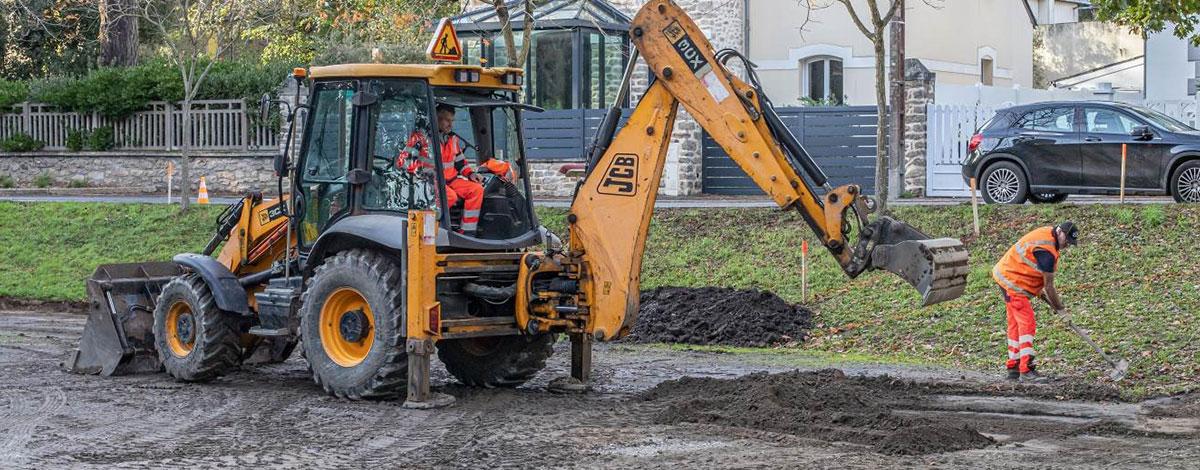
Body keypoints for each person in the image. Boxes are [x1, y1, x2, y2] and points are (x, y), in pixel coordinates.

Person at [992, 221, 1079, 382]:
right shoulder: (1047, 252)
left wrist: (1037, 290)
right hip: (1013, 284)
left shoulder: (1047, 233)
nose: (1067, 244)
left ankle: (1014, 367)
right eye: (1066, 240)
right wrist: (1060, 309)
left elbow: (1032, 266)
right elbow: (1049, 286)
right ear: (1059, 232)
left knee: (1015, 325)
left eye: (1070, 242)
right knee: (1027, 324)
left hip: (1006, 275)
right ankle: (1025, 370)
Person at [436, 104, 484, 234]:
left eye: (452, 120)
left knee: (477, 189)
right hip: (431, 182)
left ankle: (467, 233)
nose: (450, 124)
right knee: (450, 197)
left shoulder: (453, 139)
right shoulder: (422, 138)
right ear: (437, 118)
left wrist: (471, 174)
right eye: (447, 120)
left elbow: (460, 163)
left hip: (451, 181)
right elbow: (407, 163)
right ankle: (432, 229)